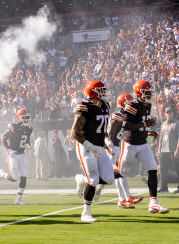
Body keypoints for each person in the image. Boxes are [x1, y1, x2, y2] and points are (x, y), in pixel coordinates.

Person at [111, 81, 167, 213]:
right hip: (129, 145)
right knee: (120, 173)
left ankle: (153, 203)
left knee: (153, 169)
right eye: (146, 92)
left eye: (149, 92)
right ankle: (95, 182)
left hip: (142, 144)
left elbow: (140, 124)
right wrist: (145, 125)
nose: (149, 95)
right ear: (139, 93)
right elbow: (126, 126)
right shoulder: (132, 105)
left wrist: (148, 131)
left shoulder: (147, 105)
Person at [71, 79, 114, 222]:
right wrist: (90, 146)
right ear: (94, 92)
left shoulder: (105, 105)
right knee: (94, 179)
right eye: (101, 90)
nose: (104, 93)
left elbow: (102, 129)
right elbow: (75, 133)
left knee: (108, 178)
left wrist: (107, 142)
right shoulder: (84, 106)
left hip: (99, 146)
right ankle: (86, 213)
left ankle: (82, 180)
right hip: (86, 146)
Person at [0, 107, 34, 204]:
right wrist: (8, 150)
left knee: (24, 176)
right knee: (15, 178)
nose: (26, 119)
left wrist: (29, 146)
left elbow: (27, 141)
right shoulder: (14, 127)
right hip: (13, 154)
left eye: (27, 117)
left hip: (22, 154)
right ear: (19, 118)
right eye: (24, 117)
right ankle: (2, 174)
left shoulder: (29, 128)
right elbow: (3, 138)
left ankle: (18, 199)